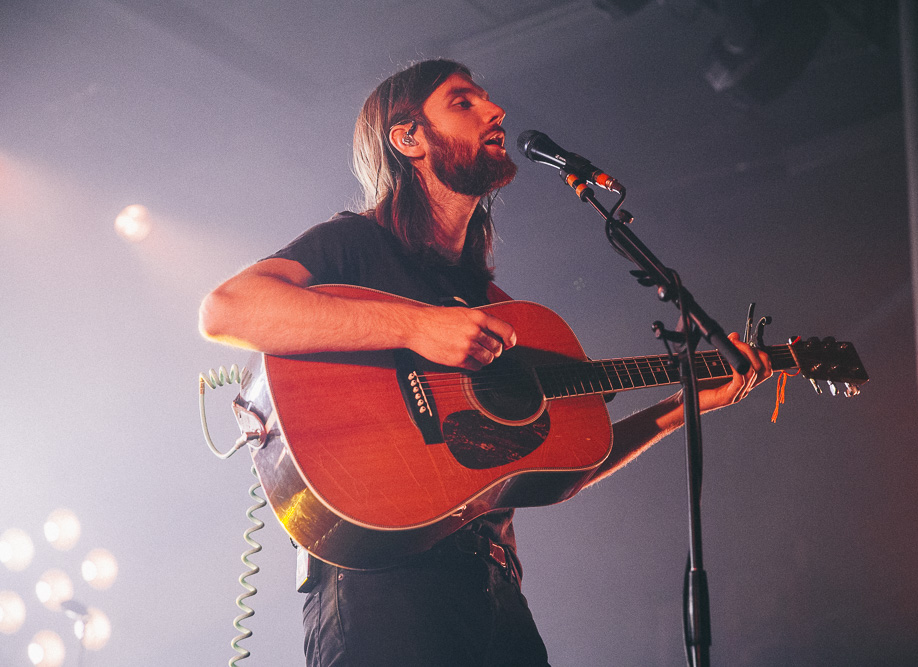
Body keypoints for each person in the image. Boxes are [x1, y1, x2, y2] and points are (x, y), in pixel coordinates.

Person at [199, 59, 772, 667]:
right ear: (409, 138)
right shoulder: (357, 244)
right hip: (384, 587)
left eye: (487, 101)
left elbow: (557, 466)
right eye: (463, 102)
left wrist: (684, 405)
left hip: (495, 591)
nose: (496, 111)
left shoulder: (493, 306)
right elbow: (227, 309)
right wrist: (418, 327)